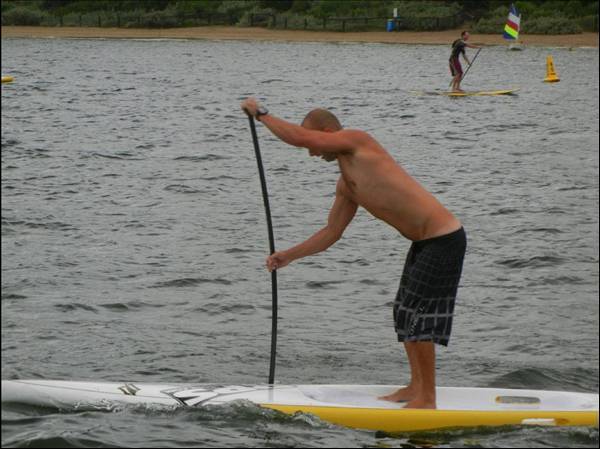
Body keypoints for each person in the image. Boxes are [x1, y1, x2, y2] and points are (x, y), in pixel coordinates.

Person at [241, 98, 466, 409]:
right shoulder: (347, 185)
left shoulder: (358, 141)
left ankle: (428, 398)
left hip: (444, 238)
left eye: (315, 143)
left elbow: (301, 138)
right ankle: (416, 386)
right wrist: (289, 255)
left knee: (418, 315)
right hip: (423, 243)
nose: (312, 153)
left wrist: (262, 115)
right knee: (403, 311)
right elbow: (331, 232)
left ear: (328, 132)